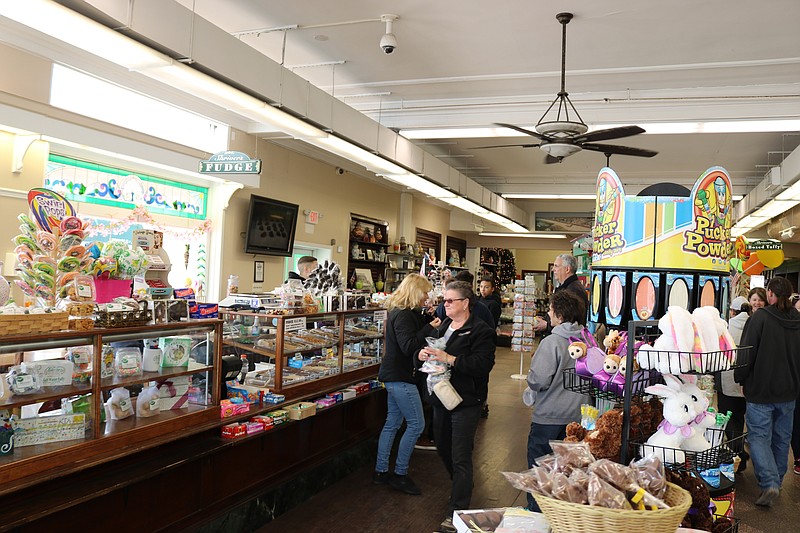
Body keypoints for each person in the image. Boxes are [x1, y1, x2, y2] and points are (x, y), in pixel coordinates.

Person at [418, 281, 495, 531]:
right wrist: (425, 355)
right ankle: (462, 483)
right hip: (442, 397)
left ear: (465, 303)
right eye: (444, 300)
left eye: (450, 300)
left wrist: (449, 359)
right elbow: (437, 352)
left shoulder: (481, 330)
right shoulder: (446, 327)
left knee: (461, 455)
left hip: (466, 401)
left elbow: (482, 365)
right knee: (443, 447)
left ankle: (457, 511)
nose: (445, 304)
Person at [373, 274, 442, 495]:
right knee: (416, 425)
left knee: (392, 424)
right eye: (424, 293)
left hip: (395, 376)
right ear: (414, 292)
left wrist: (426, 321)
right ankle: (400, 474)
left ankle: (381, 471)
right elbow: (409, 345)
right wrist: (429, 327)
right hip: (400, 377)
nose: (427, 297)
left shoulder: (407, 314)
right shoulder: (402, 315)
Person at [734, 277, 800, 507]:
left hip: (761, 389)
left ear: (770, 294)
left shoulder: (760, 317)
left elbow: (746, 351)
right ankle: (777, 482)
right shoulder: (798, 319)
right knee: (782, 439)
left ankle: (770, 482)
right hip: (789, 391)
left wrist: (740, 378)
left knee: (759, 437)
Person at [523, 290, 588, 512]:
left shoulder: (552, 342)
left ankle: (538, 515)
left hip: (548, 418)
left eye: (551, 310)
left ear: (559, 314)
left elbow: (538, 380)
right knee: (569, 474)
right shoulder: (589, 341)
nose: (549, 314)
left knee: (540, 474)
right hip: (579, 419)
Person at [716, 295, 750, 471]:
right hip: (747, 383)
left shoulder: (726, 327)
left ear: (733, 311)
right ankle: (739, 453)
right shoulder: (754, 325)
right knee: (739, 418)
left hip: (727, 381)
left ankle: (739, 455)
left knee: (728, 419)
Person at [534, 254, 588, 333]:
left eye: (556, 266)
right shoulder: (564, 287)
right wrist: (545, 319)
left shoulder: (573, 290)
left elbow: (569, 323)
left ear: (567, 269)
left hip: (565, 341)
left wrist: (547, 325)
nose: (553, 269)